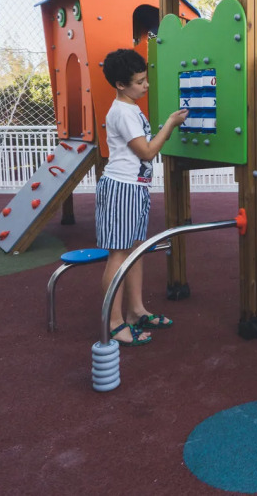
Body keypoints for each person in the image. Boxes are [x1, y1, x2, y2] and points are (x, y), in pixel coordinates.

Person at [96, 48, 189, 346]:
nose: (146, 85)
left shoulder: (131, 108)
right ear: (121, 85)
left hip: (135, 188)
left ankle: (135, 311)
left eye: (145, 79)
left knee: (135, 250)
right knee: (118, 254)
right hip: (122, 188)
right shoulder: (123, 112)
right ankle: (114, 323)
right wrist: (169, 124)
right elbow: (147, 152)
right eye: (139, 82)